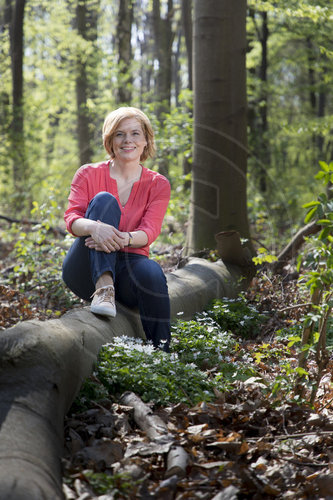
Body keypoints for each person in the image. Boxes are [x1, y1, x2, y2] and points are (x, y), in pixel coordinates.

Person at [62, 107, 171, 351]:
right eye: (120, 134)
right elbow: (72, 218)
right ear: (110, 140)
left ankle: (163, 353)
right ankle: (103, 288)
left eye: (135, 133)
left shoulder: (158, 184)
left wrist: (118, 238)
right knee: (103, 200)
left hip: (130, 264)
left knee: (152, 273)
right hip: (85, 266)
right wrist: (94, 228)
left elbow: (149, 232)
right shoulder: (88, 173)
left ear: (146, 140)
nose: (128, 140)